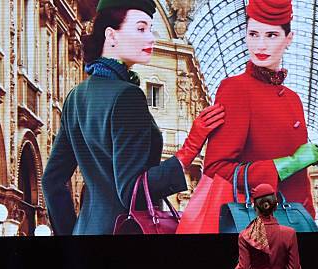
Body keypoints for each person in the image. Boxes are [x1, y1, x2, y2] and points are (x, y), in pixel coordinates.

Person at [42, 0, 225, 235]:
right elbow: (132, 192)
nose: (151, 38)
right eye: (141, 29)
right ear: (111, 35)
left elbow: (52, 181)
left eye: (150, 29)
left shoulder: (76, 96)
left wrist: (72, 233)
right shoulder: (128, 95)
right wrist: (188, 150)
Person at [191, 0, 318, 232]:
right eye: (253, 33)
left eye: (271, 35)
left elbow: (300, 184)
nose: (260, 44)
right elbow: (216, 167)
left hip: (297, 223)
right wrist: (285, 165)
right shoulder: (235, 89)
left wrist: (309, 217)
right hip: (256, 225)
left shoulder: (293, 99)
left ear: (288, 39)